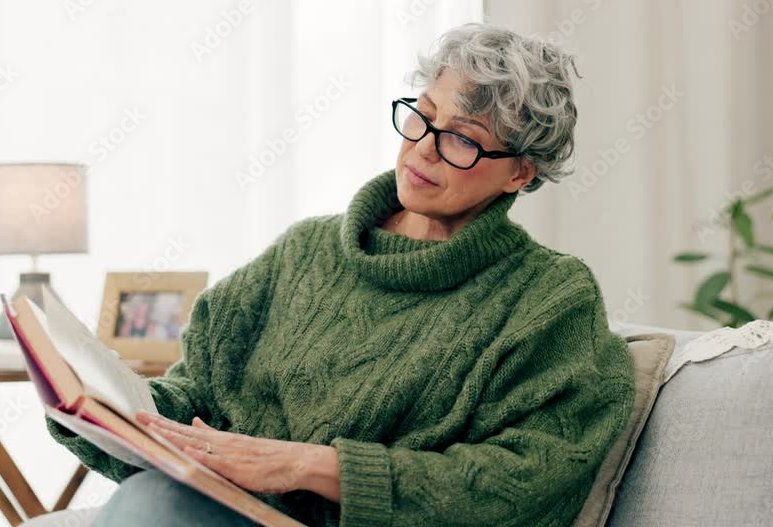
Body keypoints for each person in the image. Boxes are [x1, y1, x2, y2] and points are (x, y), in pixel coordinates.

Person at [45, 22, 635, 527]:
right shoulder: (303, 252)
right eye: (423, 118)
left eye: (461, 139)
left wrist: (309, 465)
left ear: (519, 174)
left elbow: (529, 479)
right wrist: (97, 408)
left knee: (148, 505)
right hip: (215, 509)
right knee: (149, 497)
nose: (424, 149)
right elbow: (197, 400)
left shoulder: (551, 300)